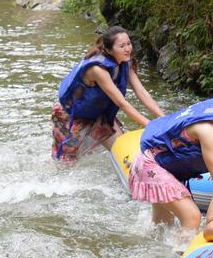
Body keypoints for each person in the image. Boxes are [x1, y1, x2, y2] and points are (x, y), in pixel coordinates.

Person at [129, 81, 213, 235]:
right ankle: (181, 256)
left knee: (162, 225)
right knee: (192, 217)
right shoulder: (208, 131)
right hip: (151, 165)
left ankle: (149, 245)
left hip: (168, 168)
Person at [53, 26, 165, 162]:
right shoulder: (97, 70)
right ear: (109, 50)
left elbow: (141, 92)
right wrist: (150, 124)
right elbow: (122, 104)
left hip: (100, 115)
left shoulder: (125, 62)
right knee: (65, 162)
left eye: (129, 43)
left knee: (123, 153)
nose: (128, 49)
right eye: (122, 46)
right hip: (74, 117)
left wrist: (164, 119)